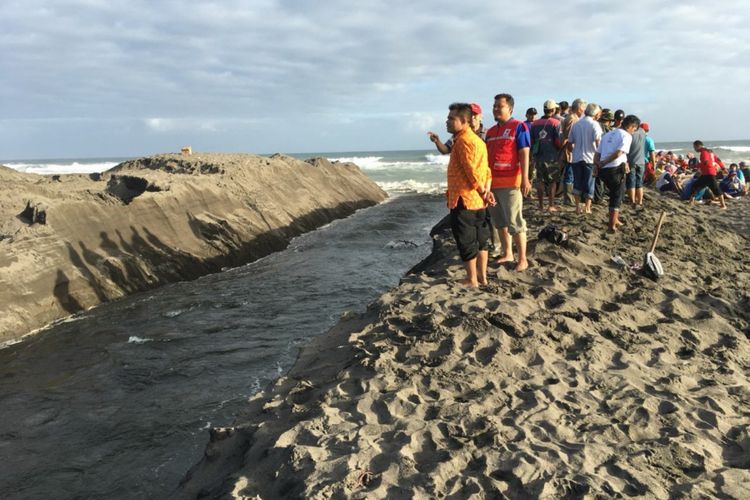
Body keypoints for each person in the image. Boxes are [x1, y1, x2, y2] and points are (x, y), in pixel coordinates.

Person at [444, 103, 495, 287]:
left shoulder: (464, 141)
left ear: (464, 121)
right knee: (481, 240)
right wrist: (487, 191)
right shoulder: (478, 141)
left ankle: (472, 279)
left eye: (451, 118)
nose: (447, 121)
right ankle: (482, 277)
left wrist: (483, 191)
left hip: (464, 199)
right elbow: (487, 170)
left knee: (466, 240)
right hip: (479, 200)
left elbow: (471, 171)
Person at [485, 93, 531, 272]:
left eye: (500, 106)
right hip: (493, 183)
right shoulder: (490, 132)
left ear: (510, 108)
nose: (496, 109)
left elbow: (524, 153)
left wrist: (525, 178)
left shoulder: (518, 127)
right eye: (494, 105)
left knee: (515, 222)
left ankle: (523, 259)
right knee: (500, 222)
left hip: (511, 183)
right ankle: (507, 253)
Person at [594, 115, 640, 231]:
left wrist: (597, 165)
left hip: (603, 171)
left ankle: (615, 220)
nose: (634, 132)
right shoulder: (626, 136)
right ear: (631, 126)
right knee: (617, 196)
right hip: (614, 169)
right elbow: (619, 152)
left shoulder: (608, 134)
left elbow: (597, 153)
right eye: (634, 129)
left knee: (614, 194)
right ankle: (611, 225)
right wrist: (603, 162)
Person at [568, 102, 602, 214]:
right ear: (595, 114)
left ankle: (577, 207)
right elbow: (598, 142)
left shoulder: (576, 124)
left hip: (577, 157)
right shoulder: (594, 124)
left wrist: (573, 151)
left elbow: (570, 142)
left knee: (577, 182)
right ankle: (587, 207)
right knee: (589, 183)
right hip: (590, 158)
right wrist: (599, 158)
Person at [530, 99, 562, 212]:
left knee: (540, 181)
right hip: (552, 156)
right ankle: (551, 205)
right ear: (553, 110)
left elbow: (532, 141)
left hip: (539, 156)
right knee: (552, 181)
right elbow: (558, 141)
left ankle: (540, 205)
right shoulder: (555, 123)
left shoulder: (535, 124)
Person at [559, 98, 586, 206]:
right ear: (579, 108)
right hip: (570, 150)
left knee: (570, 174)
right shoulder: (573, 119)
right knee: (570, 174)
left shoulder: (571, 118)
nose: (584, 111)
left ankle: (569, 198)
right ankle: (569, 199)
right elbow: (569, 136)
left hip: (570, 149)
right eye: (583, 108)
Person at [688, 140, 727, 209]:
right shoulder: (710, 152)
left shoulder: (704, 152)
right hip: (706, 174)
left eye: (694, 147)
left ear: (698, 146)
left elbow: (705, 162)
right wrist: (723, 168)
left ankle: (723, 205)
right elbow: (718, 160)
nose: (694, 149)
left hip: (709, 173)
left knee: (716, 189)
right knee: (695, 185)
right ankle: (691, 201)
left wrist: (695, 166)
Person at [626, 118, 647, 205]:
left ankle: (632, 201)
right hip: (641, 161)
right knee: (639, 183)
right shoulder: (643, 132)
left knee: (631, 182)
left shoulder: (631, 133)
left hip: (631, 160)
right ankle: (640, 201)